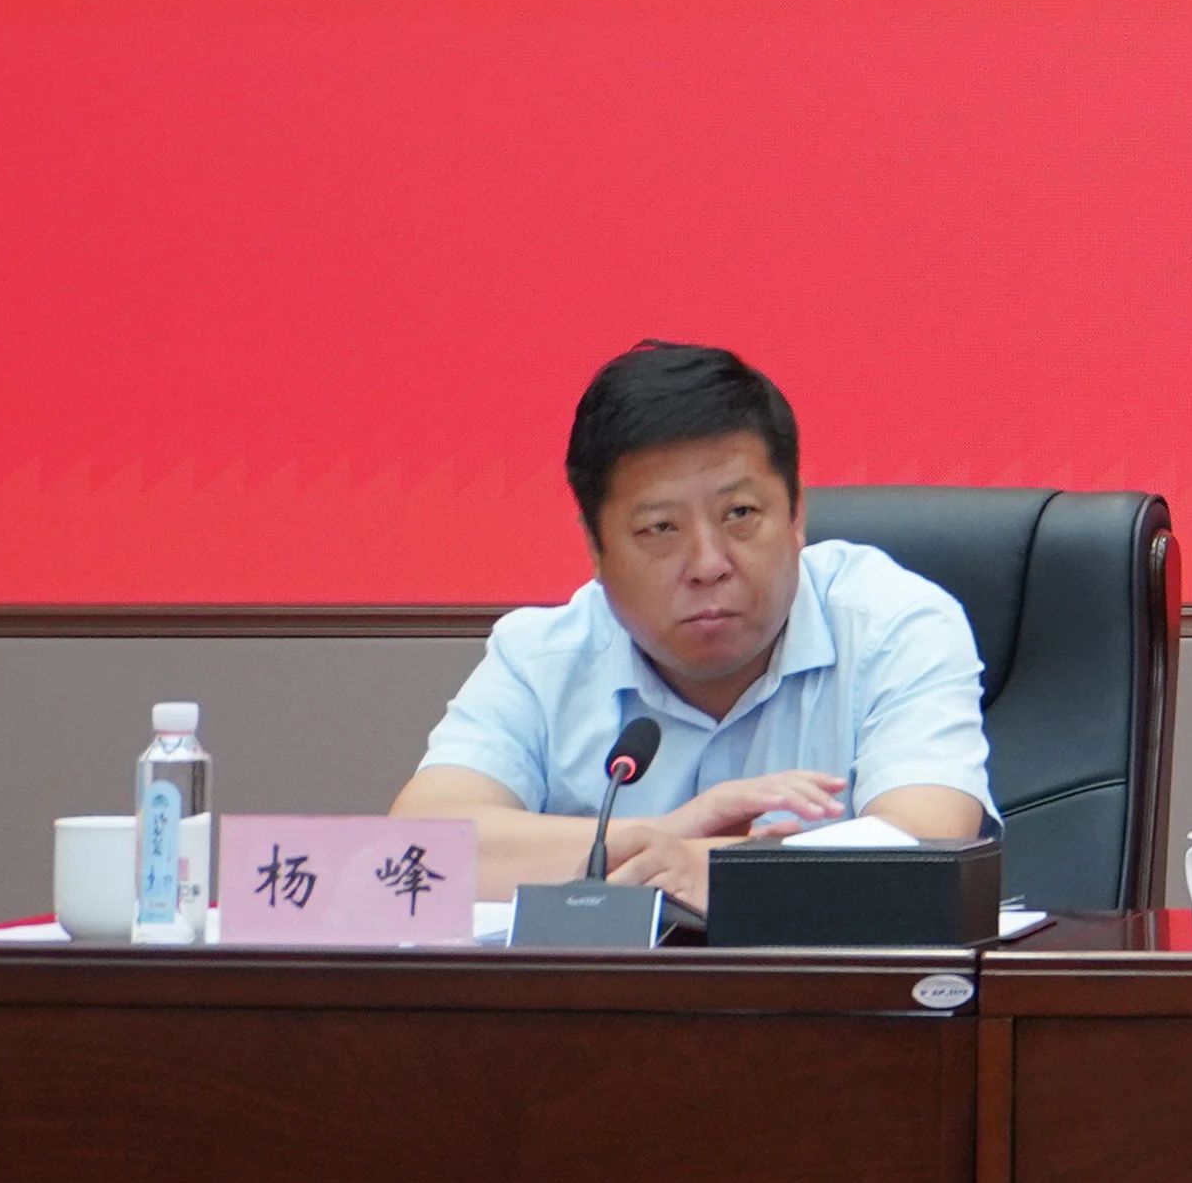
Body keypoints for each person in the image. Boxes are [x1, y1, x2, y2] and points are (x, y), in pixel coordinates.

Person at [387, 339, 996, 915]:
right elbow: (414, 853)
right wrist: (666, 839)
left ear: (796, 517)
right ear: (595, 547)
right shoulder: (541, 658)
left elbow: (926, 850)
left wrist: (706, 868)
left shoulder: (893, 628)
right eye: (661, 528)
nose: (708, 564)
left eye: (740, 514)